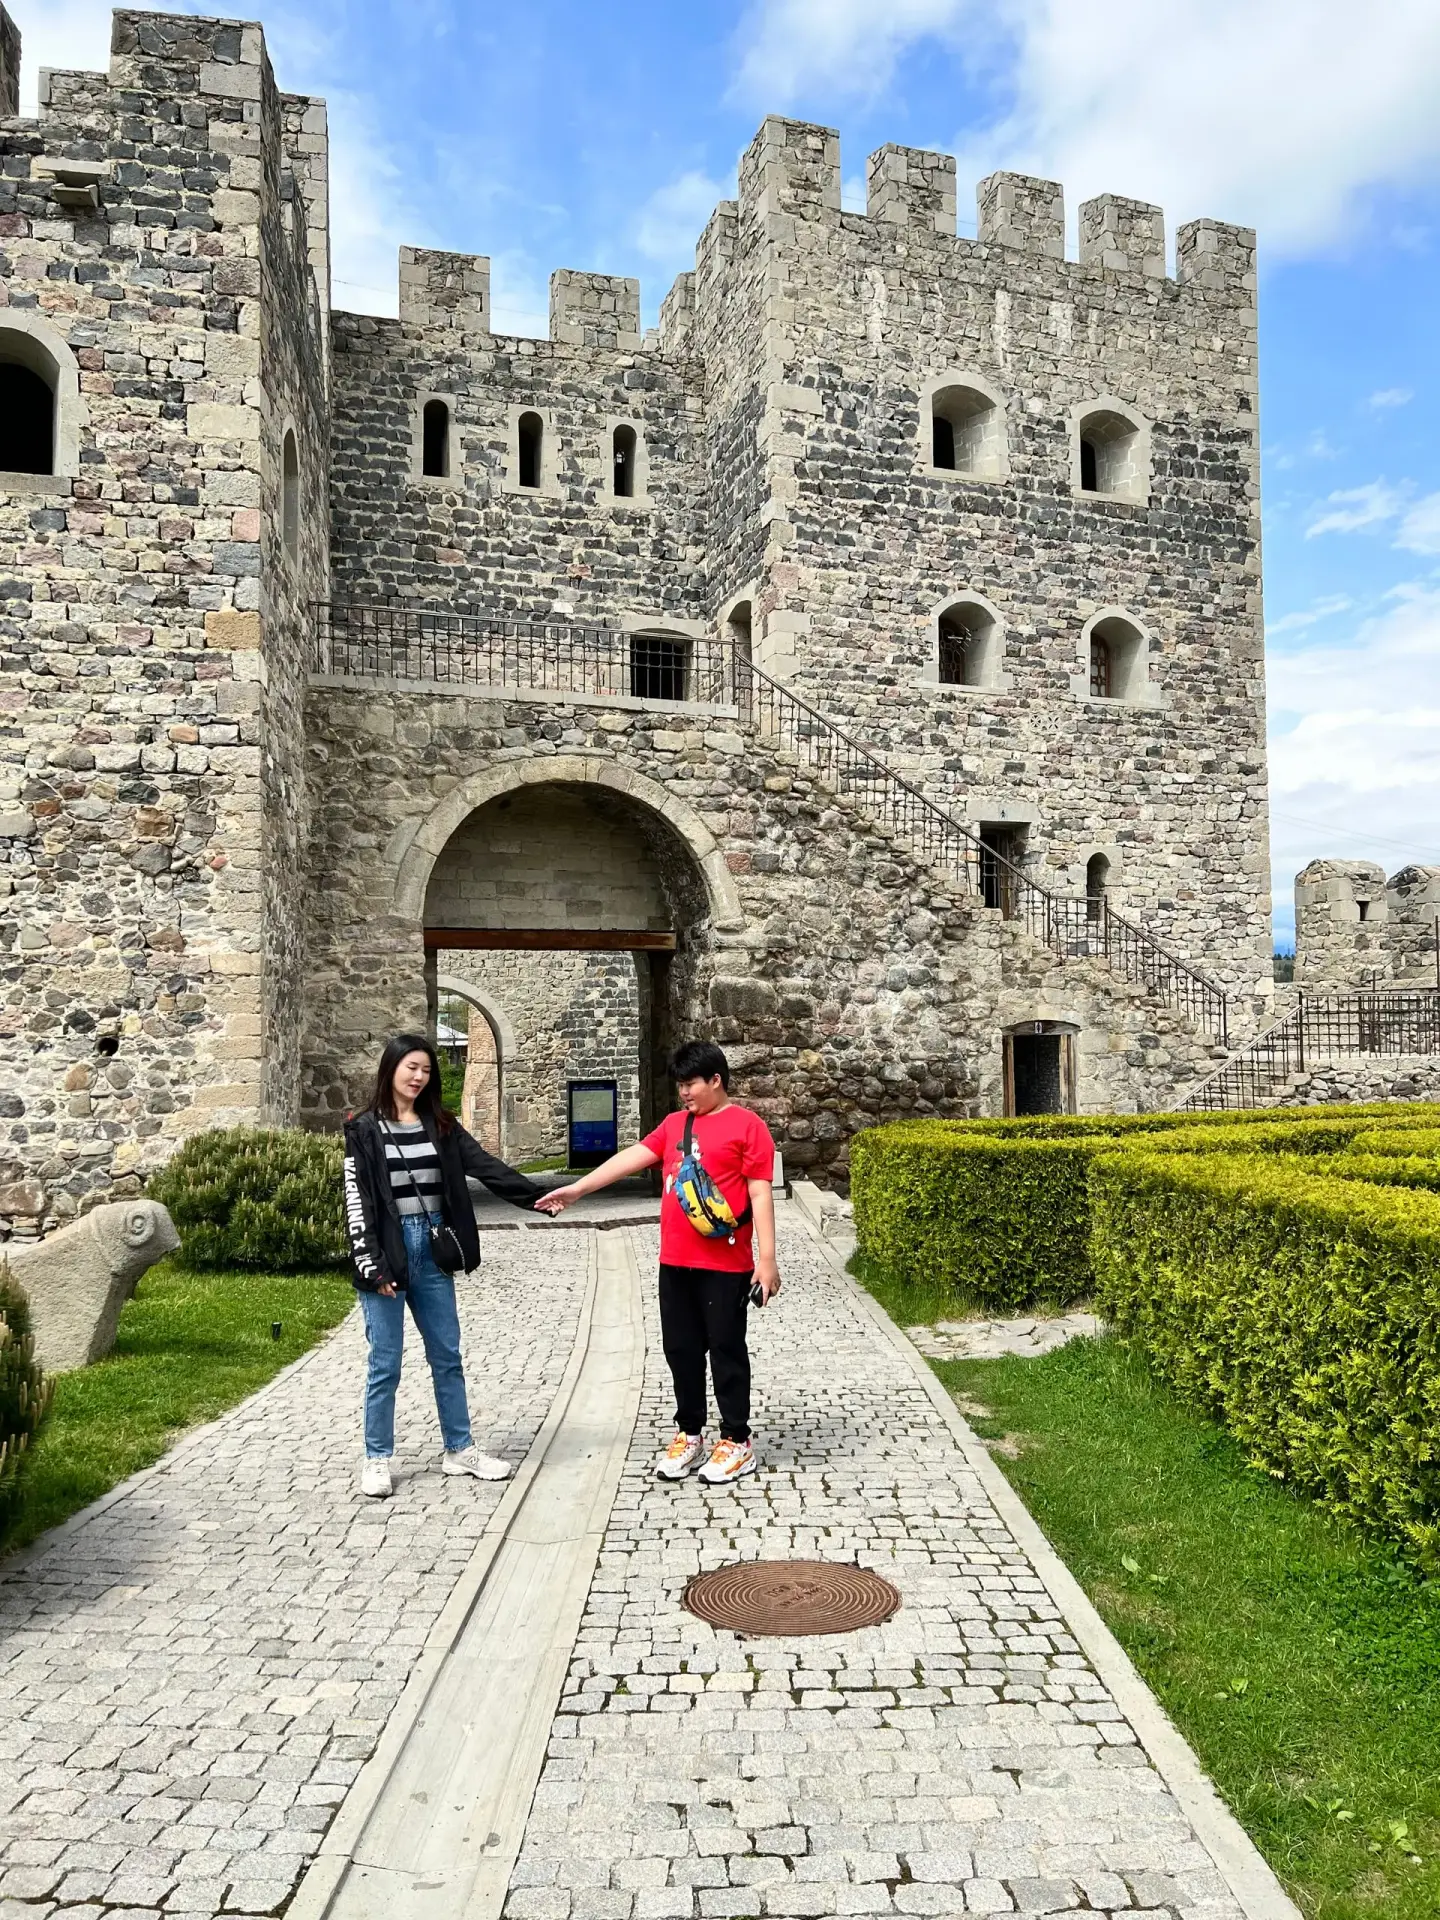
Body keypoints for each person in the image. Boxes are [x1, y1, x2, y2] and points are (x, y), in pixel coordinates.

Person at [536, 1039, 779, 1485]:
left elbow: (761, 1192)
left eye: (691, 1084)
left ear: (716, 1081)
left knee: (726, 1349)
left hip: (725, 1263)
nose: (684, 1092)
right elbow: (632, 1158)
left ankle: (737, 1439)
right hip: (676, 1262)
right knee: (681, 1352)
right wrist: (578, 1190)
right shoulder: (673, 1125)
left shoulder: (748, 1127)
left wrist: (767, 1260)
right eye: (680, 1085)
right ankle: (690, 1432)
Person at [343, 1031, 545, 1499]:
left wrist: (538, 1198)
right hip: (387, 1253)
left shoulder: (442, 1125)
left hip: (432, 1249)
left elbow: (485, 1166)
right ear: (391, 1068)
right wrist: (373, 1266)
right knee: (385, 1363)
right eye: (411, 1067)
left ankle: (460, 1448)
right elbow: (359, 1203)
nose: (418, 1076)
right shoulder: (363, 1129)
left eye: (426, 1070)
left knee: (447, 1357)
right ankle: (376, 1457)